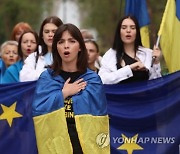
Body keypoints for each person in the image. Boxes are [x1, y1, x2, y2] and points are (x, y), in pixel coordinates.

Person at [32, 24, 110, 154]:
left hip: (86, 145)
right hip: (56, 144)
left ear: (80, 47)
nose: (66, 46)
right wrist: (64, 93)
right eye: (61, 42)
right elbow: (39, 110)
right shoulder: (47, 78)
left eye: (72, 41)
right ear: (56, 47)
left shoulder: (92, 79)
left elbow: (99, 116)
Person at [99, 15, 162, 84]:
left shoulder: (148, 53)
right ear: (119, 32)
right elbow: (102, 80)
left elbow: (156, 84)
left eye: (132, 28)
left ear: (137, 32)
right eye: (124, 28)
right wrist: (129, 69)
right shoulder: (110, 55)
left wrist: (156, 62)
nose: (128, 31)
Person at [20, 16, 63, 82]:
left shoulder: (67, 55)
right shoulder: (33, 57)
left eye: (54, 31)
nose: (50, 35)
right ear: (42, 35)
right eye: (46, 32)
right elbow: (24, 78)